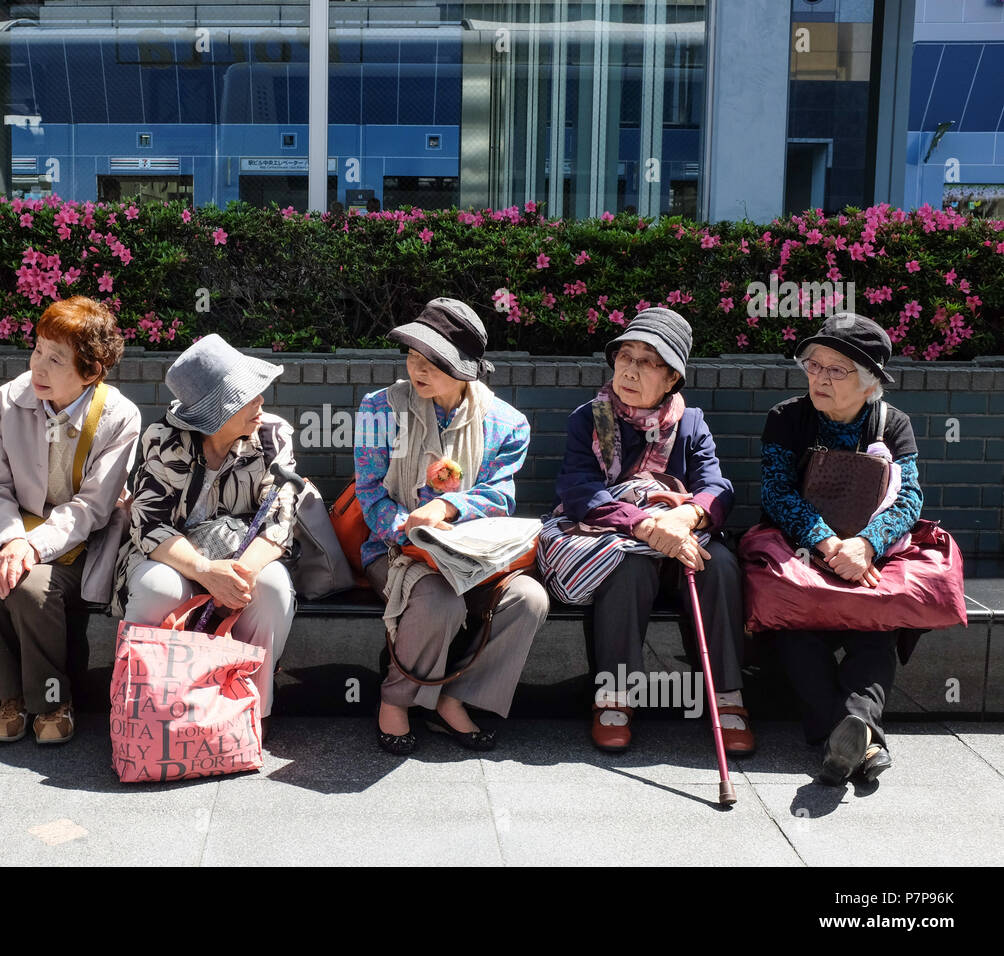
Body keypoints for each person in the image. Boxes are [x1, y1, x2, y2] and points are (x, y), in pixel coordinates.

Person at [545, 308, 753, 755]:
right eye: (625, 356)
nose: (630, 369)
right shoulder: (590, 418)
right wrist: (642, 523)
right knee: (627, 569)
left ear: (672, 378)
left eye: (647, 361)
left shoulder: (690, 423)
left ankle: (727, 697)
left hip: (680, 539)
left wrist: (685, 518)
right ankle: (613, 697)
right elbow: (579, 489)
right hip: (617, 537)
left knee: (720, 567)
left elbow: (716, 486)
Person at [355, 298, 549, 755]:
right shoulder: (379, 409)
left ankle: (455, 696)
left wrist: (449, 510)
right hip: (395, 549)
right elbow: (369, 494)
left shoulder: (507, 423)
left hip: (475, 556)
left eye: (432, 363)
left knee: (529, 599)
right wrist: (412, 532)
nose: (417, 370)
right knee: (438, 596)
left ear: (465, 370)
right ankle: (396, 699)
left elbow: (500, 496)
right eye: (412, 358)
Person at [0, 296, 141, 745]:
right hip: (14, 529)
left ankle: (53, 700)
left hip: (83, 539)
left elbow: (94, 506)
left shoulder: (120, 417)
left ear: (91, 371)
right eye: (37, 350)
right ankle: (11, 699)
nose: (37, 367)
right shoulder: (8, 400)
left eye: (55, 359)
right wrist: (11, 540)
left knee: (34, 586)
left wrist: (33, 548)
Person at [759, 313, 922, 785]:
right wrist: (828, 542)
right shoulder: (787, 418)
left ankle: (847, 738)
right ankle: (862, 742)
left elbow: (909, 497)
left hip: (866, 557)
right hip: (801, 553)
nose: (819, 378)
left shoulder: (893, 423)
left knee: (875, 628)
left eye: (836, 369)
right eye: (814, 365)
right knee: (796, 629)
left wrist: (867, 545)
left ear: (869, 381)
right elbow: (776, 493)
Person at [116, 335, 299, 735]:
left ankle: (250, 714)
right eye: (248, 397)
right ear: (219, 411)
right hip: (173, 557)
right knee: (157, 588)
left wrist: (237, 573)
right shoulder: (164, 441)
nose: (261, 403)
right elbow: (148, 524)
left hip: (244, 555)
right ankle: (142, 711)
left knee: (272, 588)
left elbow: (281, 515)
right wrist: (204, 570)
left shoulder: (271, 438)